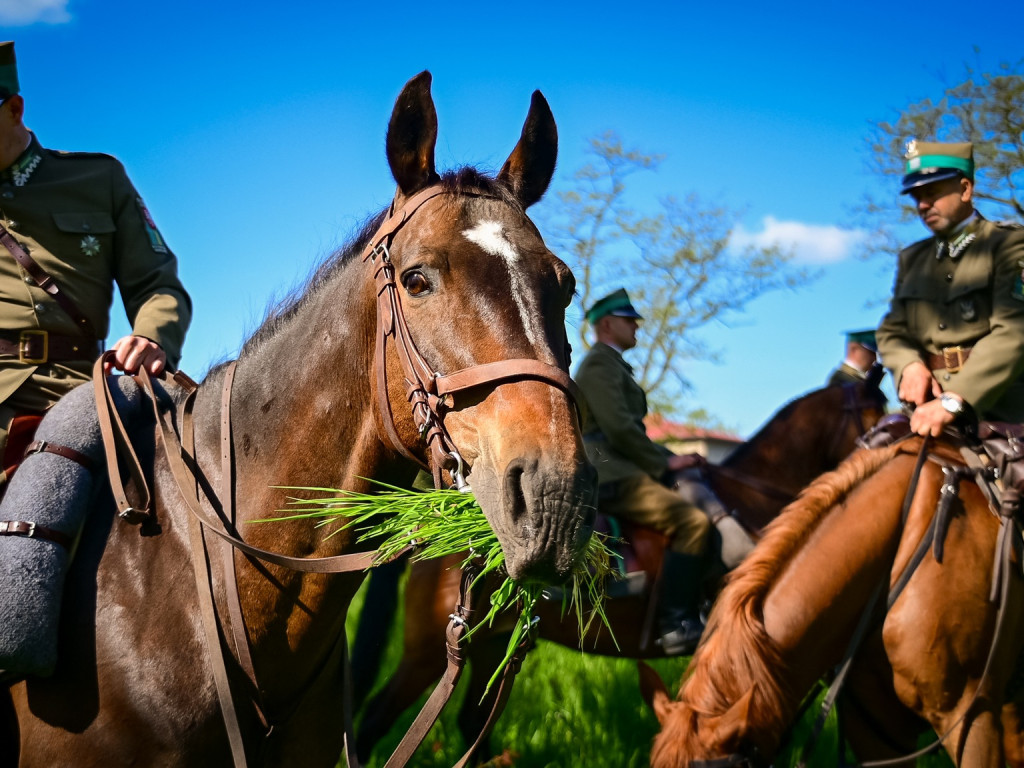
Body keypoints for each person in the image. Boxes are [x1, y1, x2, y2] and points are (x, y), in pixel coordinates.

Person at [0, 41, 191, 485]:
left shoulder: (97, 179)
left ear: (14, 109)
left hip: (78, 394)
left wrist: (151, 336)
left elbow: (157, 285)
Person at [574, 288, 711, 655]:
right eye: (628, 321)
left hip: (623, 464)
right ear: (606, 324)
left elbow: (632, 431)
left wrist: (674, 456)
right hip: (610, 473)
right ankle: (675, 622)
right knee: (692, 523)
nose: (636, 327)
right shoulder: (599, 366)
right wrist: (664, 463)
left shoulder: (613, 363)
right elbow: (619, 428)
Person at [876, 140, 1024, 437]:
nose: (922, 205)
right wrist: (909, 366)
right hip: (924, 413)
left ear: (966, 189)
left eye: (931, 192)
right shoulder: (912, 259)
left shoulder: (1009, 244)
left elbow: (1014, 330)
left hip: (1005, 413)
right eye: (917, 196)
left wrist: (956, 399)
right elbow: (892, 331)